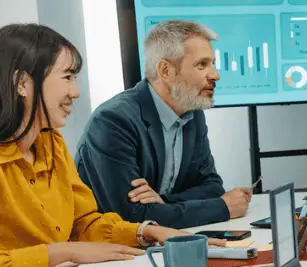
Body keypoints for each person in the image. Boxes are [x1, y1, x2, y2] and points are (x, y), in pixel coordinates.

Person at [0, 24, 221, 267]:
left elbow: (82, 223)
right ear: (22, 83)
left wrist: (145, 232)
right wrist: (64, 252)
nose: (75, 92)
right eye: (67, 77)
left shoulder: (50, 143)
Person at [74, 20, 252, 229]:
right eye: (201, 64)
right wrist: (222, 208)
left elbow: (212, 187)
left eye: (212, 63)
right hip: (107, 250)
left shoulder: (192, 114)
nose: (215, 75)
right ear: (165, 70)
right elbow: (131, 217)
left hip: (158, 243)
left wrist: (163, 202)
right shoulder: (113, 121)